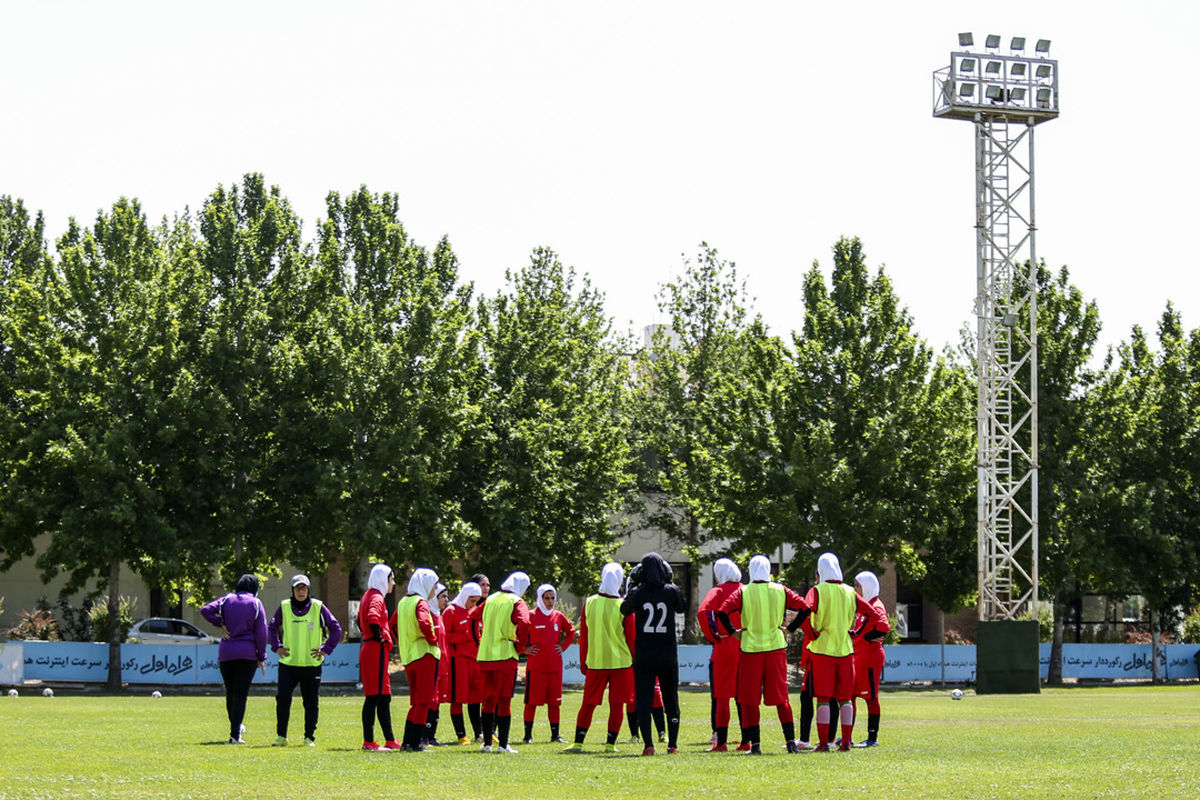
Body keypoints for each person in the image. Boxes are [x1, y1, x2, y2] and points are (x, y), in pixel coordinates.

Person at [716, 555, 808, 755]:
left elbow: (721, 612)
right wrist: (789, 628)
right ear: (769, 570)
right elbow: (805, 608)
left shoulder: (744, 592)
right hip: (775, 649)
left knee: (750, 700)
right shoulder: (780, 590)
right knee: (782, 698)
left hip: (751, 650)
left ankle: (756, 746)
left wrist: (733, 632)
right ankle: (791, 743)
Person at [801, 552, 889, 752]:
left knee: (823, 699)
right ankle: (846, 743)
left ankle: (824, 744)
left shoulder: (817, 591)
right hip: (846, 652)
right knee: (845, 699)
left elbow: (806, 612)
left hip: (822, 651)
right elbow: (873, 613)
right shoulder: (850, 591)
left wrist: (812, 634)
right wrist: (857, 632)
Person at [563, 562, 636, 754]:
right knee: (617, 704)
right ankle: (610, 744)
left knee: (588, 703)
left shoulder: (590, 602)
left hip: (596, 662)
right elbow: (631, 638)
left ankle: (578, 742)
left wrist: (583, 661)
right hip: (622, 663)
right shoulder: (623, 605)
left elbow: (584, 637)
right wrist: (635, 662)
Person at [267, 573, 343, 747]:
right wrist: (276, 646)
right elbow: (271, 627)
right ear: (292, 590)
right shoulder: (284, 606)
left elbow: (336, 628)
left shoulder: (318, 606)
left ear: (308, 590)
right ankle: (282, 736)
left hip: (311, 664)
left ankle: (309, 737)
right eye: (297, 588)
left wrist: (326, 649)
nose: (301, 591)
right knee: (283, 698)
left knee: (310, 702)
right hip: (288, 663)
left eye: (304, 588)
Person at [621, 553, 685, 756]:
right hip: (667, 653)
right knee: (670, 698)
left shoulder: (638, 592)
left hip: (645, 654)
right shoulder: (671, 590)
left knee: (644, 699)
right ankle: (672, 744)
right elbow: (682, 607)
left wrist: (633, 587)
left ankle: (648, 745)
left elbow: (624, 609)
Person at [201, 574, 268, 744]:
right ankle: (235, 734)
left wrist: (219, 623)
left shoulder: (226, 600)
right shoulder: (255, 603)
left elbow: (205, 610)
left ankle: (236, 728)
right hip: (247, 654)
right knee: (240, 694)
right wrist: (261, 656)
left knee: (230, 692)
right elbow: (262, 633)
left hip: (226, 653)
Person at [472, 570, 531, 753]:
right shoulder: (516, 601)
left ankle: (487, 744)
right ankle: (503, 745)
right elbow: (525, 623)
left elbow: (472, 616)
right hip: (505, 656)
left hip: (485, 656)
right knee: (504, 701)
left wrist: (479, 640)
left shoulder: (491, 599)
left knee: (488, 701)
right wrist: (520, 646)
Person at [698, 557, 745, 752]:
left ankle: (721, 740)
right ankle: (747, 739)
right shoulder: (746, 589)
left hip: (724, 646)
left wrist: (713, 635)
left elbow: (703, 612)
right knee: (744, 697)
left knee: (722, 696)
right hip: (746, 647)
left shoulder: (717, 592)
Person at [522, 583, 576, 744]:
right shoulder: (530, 615)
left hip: (554, 667)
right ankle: (527, 736)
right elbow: (518, 635)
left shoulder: (558, 616)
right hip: (536, 667)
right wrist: (525, 649)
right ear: (539, 598)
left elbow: (571, 631)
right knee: (531, 702)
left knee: (555, 703)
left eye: (552, 598)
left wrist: (563, 646)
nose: (550, 601)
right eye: (546, 598)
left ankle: (555, 735)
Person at [396, 567, 441, 752]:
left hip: (409, 656)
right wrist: (433, 639)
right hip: (425, 655)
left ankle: (407, 742)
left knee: (416, 702)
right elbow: (424, 622)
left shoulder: (403, 602)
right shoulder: (420, 602)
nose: (435, 590)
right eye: (434, 585)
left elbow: (393, 626)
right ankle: (414, 744)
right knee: (424, 701)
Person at [356, 563, 400, 750]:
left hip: (372, 649)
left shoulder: (369, 595)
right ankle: (368, 742)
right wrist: (379, 637)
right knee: (374, 696)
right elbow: (372, 618)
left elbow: (359, 620)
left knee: (384, 696)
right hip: (375, 650)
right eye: (391, 579)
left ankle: (390, 740)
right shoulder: (376, 597)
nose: (393, 583)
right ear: (384, 580)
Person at [851, 570, 888, 747]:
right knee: (849, 694)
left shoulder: (876, 605)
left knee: (871, 697)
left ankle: (872, 738)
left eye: (858, 585)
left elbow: (883, 627)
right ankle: (846, 735)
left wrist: (867, 638)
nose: (856, 589)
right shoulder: (865, 605)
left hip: (870, 657)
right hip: (859, 657)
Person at [443, 581, 483, 744]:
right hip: (458, 661)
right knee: (458, 698)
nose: (473, 604)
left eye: (476, 601)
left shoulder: (475, 612)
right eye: (472, 600)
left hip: (475, 660)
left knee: (476, 698)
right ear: (465, 596)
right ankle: (461, 735)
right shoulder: (450, 611)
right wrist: (464, 636)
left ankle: (479, 733)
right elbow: (444, 636)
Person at [424, 583, 450, 747]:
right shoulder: (428, 616)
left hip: (443, 667)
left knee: (438, 702)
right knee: (430, 702)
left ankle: (432, 737)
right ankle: (424, 737)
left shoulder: (439, 616)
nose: (446, 600)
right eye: (443, 596)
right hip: (432, 666)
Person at [467, 572, 491, 739]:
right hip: (474, 658)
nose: (486, 588)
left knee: (490, 694)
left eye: (488, 585)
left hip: (491, 657)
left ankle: (491, 729)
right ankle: (478, 732)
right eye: (483, 584)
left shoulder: (492, 606)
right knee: (475, 695)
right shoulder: (472, 609)